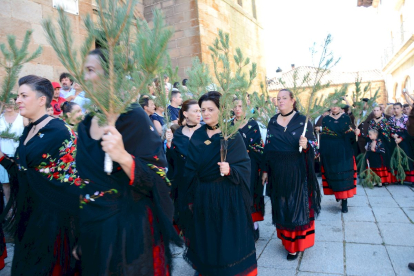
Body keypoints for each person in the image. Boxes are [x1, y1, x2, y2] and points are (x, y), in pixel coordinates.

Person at [75, 49, 181, 275]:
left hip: (129, 231)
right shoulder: (85, 124)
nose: (84, 78)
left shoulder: (133, 117)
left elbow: (158, 176)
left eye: (91, 70)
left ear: (110, 76)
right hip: (93, 226)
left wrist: (123, 157)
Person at [0, 75, 79, 275]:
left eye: (23, 95)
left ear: (42, 100)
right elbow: (23, 170)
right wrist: (2, 159)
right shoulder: (30, 129)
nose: (17, 100)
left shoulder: (61, 132)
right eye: (18, 96)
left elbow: (74, 180)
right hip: (30, 214)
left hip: (54, 220)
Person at [183, 91, 257, 276]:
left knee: (226, 239)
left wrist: (230, 170)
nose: (205, 113)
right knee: (208, 239)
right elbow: (190, 169)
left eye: (210, 109)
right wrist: (191, 198)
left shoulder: (231, 135)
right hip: (204, 196)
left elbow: (245, 167)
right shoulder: (198, 135)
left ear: (221, 110)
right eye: (202, 110)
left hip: (227, 196)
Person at [262, 89, 321, 261]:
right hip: (277, 171)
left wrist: (307, 145)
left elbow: (315, 149)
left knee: (297, 205)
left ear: (292, 100)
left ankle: (296, 245)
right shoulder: (272, 121)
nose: (280, 101)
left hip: (297, 170)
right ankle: (288, 242)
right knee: (282, 205)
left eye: (284, 98)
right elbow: (268, 147)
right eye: (278, 99)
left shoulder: (303, 121)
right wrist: (265, 170)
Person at [166, 99, 201, 233]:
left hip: (202, 182)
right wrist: (169, 144)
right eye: (196, 111)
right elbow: (173, 160)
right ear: (185, 113)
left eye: (200, 111)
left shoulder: (206, 131)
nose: (199, 114)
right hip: (184, 183)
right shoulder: (179, 134)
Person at [232, 99, 264, 242]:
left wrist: (264, 170)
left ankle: (254, 225)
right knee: (237, 196)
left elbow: (258, 147)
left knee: (250, 195)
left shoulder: (253, 124)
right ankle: (240, 226)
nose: (238, 109)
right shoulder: (228, 126)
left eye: (241, 106)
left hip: (251, 166)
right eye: (235, 106)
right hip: (234, 167)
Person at [319, 101, 358, 213]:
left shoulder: (346, 118)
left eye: (337, 104)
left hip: (344, 149)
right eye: (332, 104)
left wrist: (355, 133)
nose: (334, 106)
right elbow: (325, 135)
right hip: (330, 150)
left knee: (343, 173)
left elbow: (349, 133)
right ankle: (337, 194)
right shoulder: (325, 119)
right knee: (332, 173)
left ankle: (344, 201)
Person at [0, 99, 26, 205]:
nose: (9, 105)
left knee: (18, 182)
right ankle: (9, 208)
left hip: (18, 155)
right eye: (6, 102)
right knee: (5, 183)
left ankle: (19, 207)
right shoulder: (0, 118)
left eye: (11, 102)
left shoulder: (22, 117)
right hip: (2, 155)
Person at [365, 106, 392, 186]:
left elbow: (386, 133)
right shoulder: (372, 121)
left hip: (381, 144)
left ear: (381, 111)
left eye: (377, 110)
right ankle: (374, 179)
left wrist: (377, 141)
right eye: (374, 110)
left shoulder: (384, 120)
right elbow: (369, 131)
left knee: (381, 161)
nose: (376, 112)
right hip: (372, 142)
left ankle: (381, 180)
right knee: (373, 161)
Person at [388, 103, 414, 183]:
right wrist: (393, 135)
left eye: (397, 108)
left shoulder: (406, 118)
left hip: (404, 140)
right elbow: (389, 129)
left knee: (406, 157)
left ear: (401, 108)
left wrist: (401, 138)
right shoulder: (391, 119)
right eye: (394, 108)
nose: (396, 110)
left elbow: (408, 130)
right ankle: (397, 178)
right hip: (394, 140)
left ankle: (408, 178)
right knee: (395, 158)